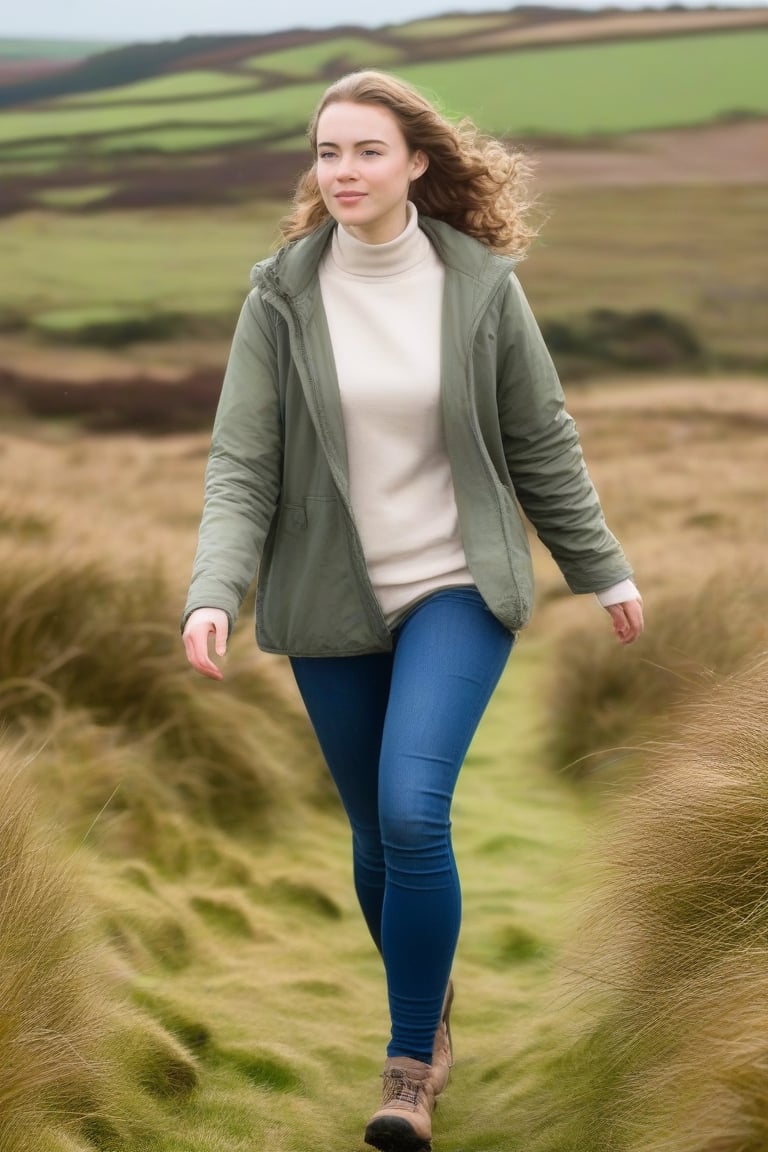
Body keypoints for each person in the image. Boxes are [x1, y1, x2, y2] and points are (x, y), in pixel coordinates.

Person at [182, 70, 643, 1152]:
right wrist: (215, 590)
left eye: (367, 151)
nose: (342, 172)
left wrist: (603, 567)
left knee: (410, 813)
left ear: (417, 164)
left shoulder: (480, 289)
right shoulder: (281, 297)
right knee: (375, 843)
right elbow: (242, 463)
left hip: (456, 582)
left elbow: (542, 440)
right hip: (328, 595)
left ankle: (406, 1075)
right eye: (327, 152)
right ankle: (428, 1004)